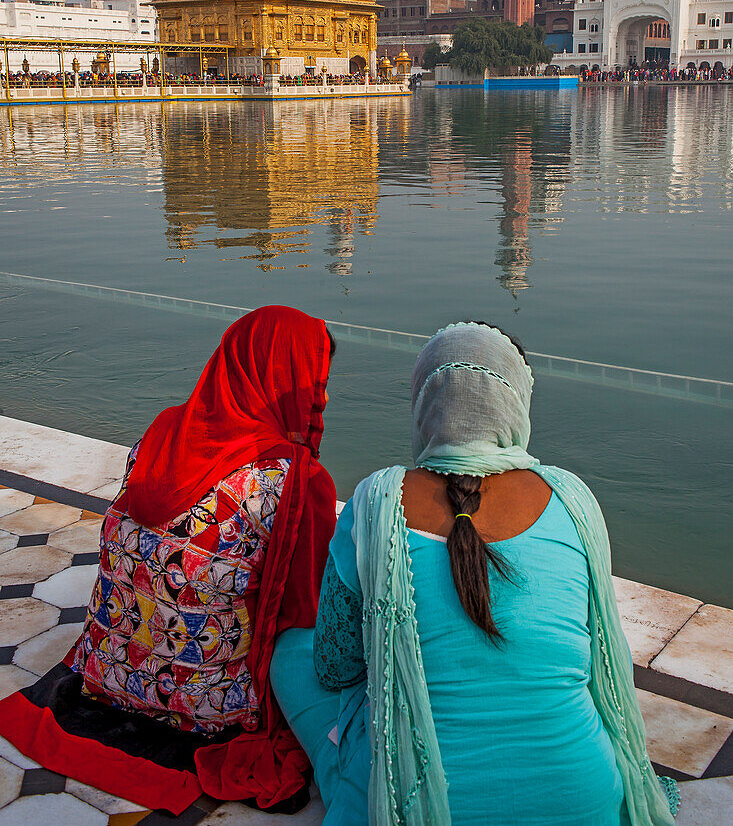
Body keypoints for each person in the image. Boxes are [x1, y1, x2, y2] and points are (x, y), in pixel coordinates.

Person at [271, 322, 679, 825]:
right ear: (516, 405)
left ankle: (346, 782)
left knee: (290, 655)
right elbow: (594, 660)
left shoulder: (376, 502)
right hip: (585, 803)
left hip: (414, 808)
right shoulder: (573, 499)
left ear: (424, 404)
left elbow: (335, 667)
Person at [0, 305, 337, 816]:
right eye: (315, 380)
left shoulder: (161, 433)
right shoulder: (295, 483)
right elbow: (306, 611)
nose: (323, 397)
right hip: (212, 707)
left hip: (105, 672)